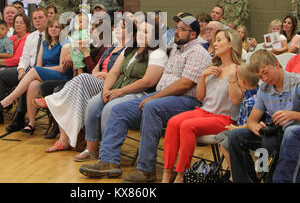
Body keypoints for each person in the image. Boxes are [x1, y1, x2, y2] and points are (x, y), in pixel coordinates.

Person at [79, 13, 211, 183]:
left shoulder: (198, 52)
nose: (176, 32)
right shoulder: (177, 50)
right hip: (165, 96)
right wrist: (154, 96)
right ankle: (109, 160)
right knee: (119, 110)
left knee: (151, 107)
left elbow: (185, 85)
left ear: (193, 34)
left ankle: (146, 170)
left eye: (180, 29)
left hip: (186, 101)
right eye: (176, 28)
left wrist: (153, 97)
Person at [35, 17, 130, 157]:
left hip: (110, 84)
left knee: (81, 78)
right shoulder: (108, 48)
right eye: (116, 26)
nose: (116, 29)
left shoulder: (128, 50)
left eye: (121, 27)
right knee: (69, 90)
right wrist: (97, 73)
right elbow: (94, 69)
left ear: (130, 33)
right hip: (94, 80)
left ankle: (51, 101)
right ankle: (63, 140)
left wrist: (105, 74)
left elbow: (120, 73)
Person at [227, 49, 300, 183]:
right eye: (260, 77)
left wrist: (293, 115)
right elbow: (251, 121)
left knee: (272, 141)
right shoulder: (264, 88)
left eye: (265, 72)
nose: (264, 79)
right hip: (278, 134)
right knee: (235, 136)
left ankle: (269, 178)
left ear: (276, 64)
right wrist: (256, 127)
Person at [76, 17, 168, 157]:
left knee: (110, 108)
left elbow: (148, 82)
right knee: (94, 103)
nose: (141, 34)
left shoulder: (157, 54)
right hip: (117, 89)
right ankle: (91, 148)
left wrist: (120, 91)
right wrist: (106, 90)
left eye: (146, 32)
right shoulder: (130, 50)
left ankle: (107, 152)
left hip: (139, 94)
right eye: (140, 31)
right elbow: (114, 72)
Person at [161, 29, 243, 183]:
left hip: (225, 118)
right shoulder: (213, 67)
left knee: (187, 126)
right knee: (173, 122)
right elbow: (200, 97)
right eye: (215, 40)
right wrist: (204, 75)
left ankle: (181, 175)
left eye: (219, 40)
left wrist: (232, 76)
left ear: (230, 44)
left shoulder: (239, 70)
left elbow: (236, 100)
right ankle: (167, 173)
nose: (215, 44)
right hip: (204, 111)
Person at [0, 15, 73, 133]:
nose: (53, 29)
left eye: (57, 27)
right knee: (32, 84)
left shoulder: (65, 44)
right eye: (51, 27)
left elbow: (63, 69)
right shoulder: (44, 43)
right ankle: (31, 123)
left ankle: (7, 100)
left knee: (34, 71)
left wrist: (43, 70)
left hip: (61, 75)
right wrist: (39, 70)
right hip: (44, 73)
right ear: (48, 29)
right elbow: (38, 64)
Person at [0, 8, 48, 132]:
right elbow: (24, 57)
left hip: (41, 70)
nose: (38, 21)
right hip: (27, 68)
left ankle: (19, 116)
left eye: (41, 18)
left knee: (27, 80)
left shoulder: (50, 36)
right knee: (0, 74)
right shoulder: (32, 37)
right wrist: (21, 69)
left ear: (47, 19)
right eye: (35, 18)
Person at [214, 64, 263, 182]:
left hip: (250, 132)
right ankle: (233, 171)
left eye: (237, 79)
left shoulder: (253, 100)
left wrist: (237, 128)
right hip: (241, 129)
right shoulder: (248, 95)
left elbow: (252, 123)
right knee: (220, 137)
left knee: (228, 141)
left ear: (243, 82)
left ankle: (239, 174)